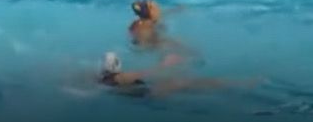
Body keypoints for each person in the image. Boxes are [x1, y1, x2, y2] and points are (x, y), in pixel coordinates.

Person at [97, 52, 232, 98]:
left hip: (137, 94)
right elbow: (146, 73)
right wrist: (166, 63)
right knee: (185, 85)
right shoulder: (120, 77)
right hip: (144, 92)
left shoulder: (102, 81)